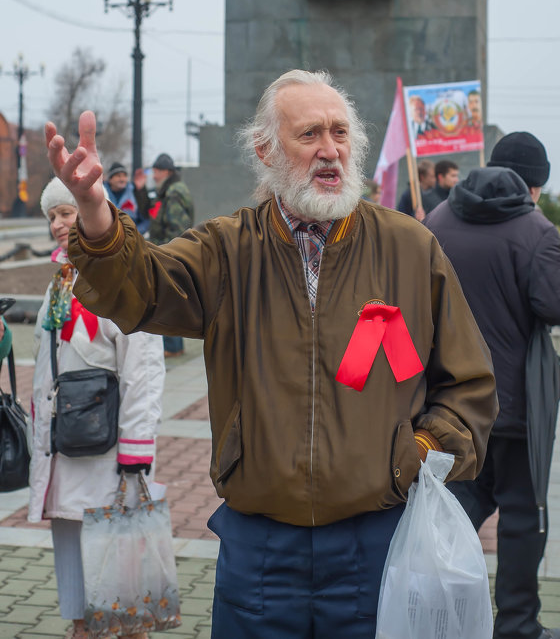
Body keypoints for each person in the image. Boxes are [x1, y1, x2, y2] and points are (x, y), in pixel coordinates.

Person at [46, 69, 497, 639]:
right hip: (258, 546)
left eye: (340, 133)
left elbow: (470, 386)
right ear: (265, 149)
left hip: (378, 536)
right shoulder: (227, 248)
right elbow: (143, 289)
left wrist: (417, 453)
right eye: (310, 134)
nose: (330, 150)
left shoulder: (410, 248)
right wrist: (94, 215)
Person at [425, 132, 560, 639]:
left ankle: (433, 613)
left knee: (456, 507)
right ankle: (516, 624)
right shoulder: (536, 230)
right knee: (522, 512)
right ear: (535, 185)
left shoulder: (438, 220)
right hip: (514, 406)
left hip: (449, 402)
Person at [28, 177, 166, 639]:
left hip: (108, 450)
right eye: (52, 216)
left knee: (118, 569)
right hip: (65, 446)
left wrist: (136, 449)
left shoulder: (125, 277)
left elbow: (143, 368)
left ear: (91, 213)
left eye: (67, 212)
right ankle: (80, 627)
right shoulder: (61, 281)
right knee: (71, 544)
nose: (58, 224)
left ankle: (116, 629)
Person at [135, 153, 194, 358]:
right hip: (165, 252)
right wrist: (141, 190)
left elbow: (177, 227)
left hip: (170, 254)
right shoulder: (166, 190)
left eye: (156, 171)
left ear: (166, 171)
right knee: (165, 298)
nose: (154, 175)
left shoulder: (174, 192)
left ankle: (173, 346)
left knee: (167, 298)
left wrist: (167, 255)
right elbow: (150, 214)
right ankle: (172, 345)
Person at [102, 161, 147, 233]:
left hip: (130, 240)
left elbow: (145, 220)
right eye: (118, 176)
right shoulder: (102, 193)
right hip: (107, 239)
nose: (122, 179)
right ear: (110, 179)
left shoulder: (134, 192)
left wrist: (134, 234)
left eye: (124, 176)